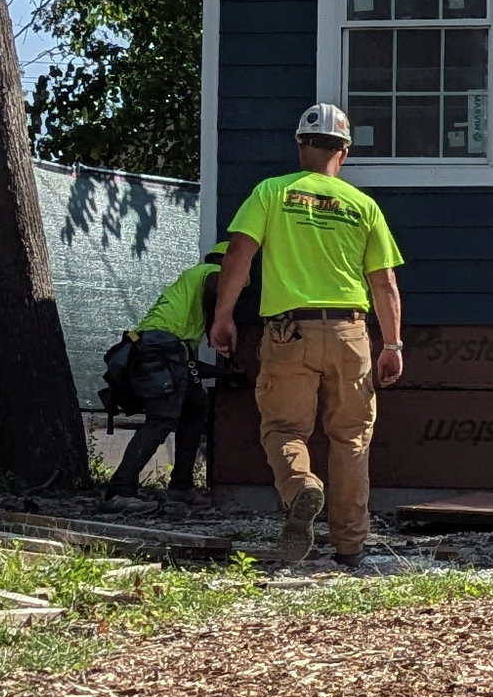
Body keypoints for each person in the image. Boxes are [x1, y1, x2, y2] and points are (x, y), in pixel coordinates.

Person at [207, 102, 406, 574]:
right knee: (352, 439)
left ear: (300, 145)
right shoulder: (364, 206)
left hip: (288, 332)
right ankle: (351, 548)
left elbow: (239, 255)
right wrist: (393, 344)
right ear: (346, 152)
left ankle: (301, 488)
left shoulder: (271, 193)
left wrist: (224, 317)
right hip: (350, 333)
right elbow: (385, 284)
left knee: (283, 429)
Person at [109, 247, 224, 508]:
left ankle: (182, 487)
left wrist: (225, 373)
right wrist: (217, 323)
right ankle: (120, 491)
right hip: (161, 350)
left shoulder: (187, 286)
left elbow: (189, 366)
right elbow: (215, 288)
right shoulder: (214, 272)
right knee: (161, 420)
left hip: (155, 349)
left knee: (196, 407)